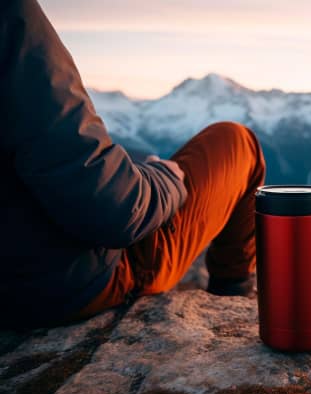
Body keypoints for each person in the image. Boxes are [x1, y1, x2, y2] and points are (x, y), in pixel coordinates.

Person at [0, 0, 265, 327]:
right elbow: (112, 211)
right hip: (69, 286)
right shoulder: (11, 17)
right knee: (237, 141)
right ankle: (233, 306)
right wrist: (166, 179)